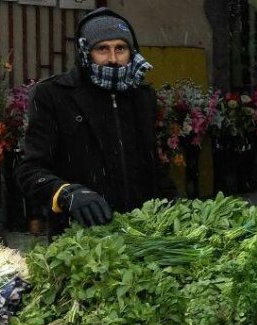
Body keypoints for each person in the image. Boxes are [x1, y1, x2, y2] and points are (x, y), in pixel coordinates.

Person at [14, 7, 178, 239]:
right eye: (102, 49)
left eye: (120, 49)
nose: (112, 59)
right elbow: (29, 170)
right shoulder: (53, 95)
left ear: (131, 52)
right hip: (80, 240)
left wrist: (174, 205)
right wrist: (66, 194)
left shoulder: (142, 96)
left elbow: (153, 165)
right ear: (85, 52)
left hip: (142, 234)